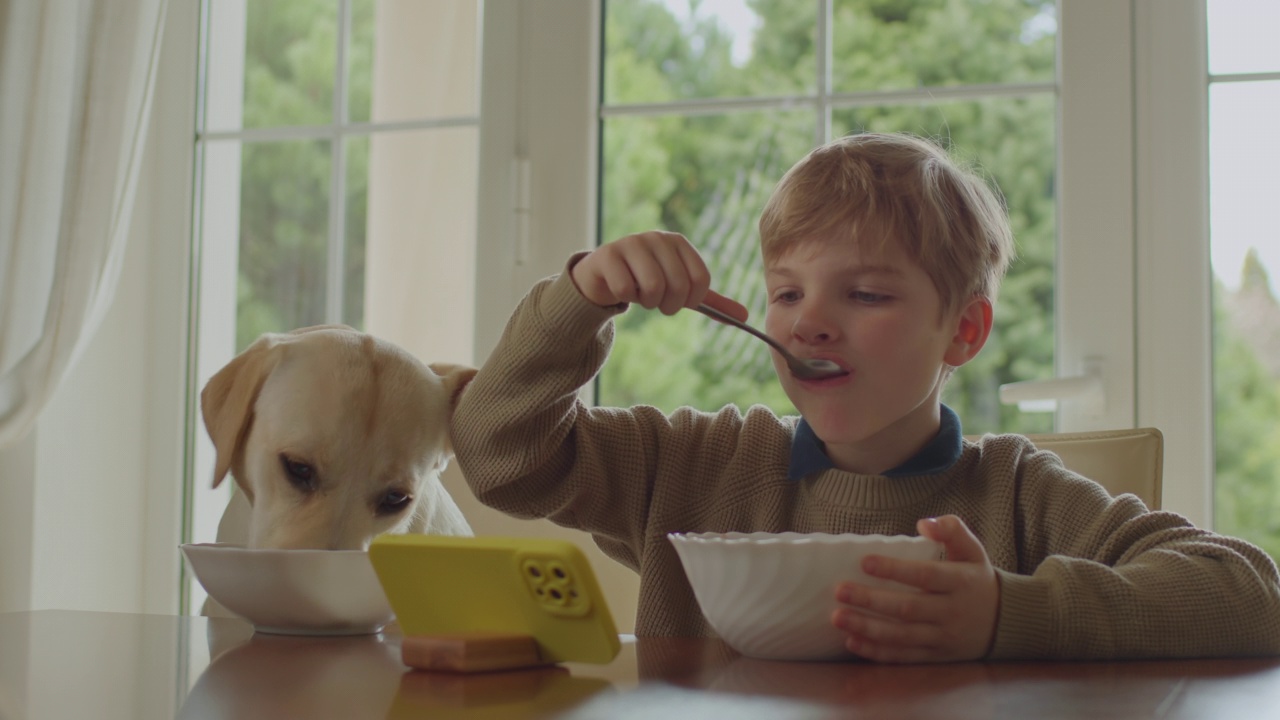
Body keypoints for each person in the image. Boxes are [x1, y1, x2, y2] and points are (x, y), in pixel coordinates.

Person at [451, 132, 1280, 663]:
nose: (809, 323)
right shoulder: (695, 464)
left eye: (866, 296)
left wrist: (1009, 613)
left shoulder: (1021, 495)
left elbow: (1250, 593)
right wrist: (581, 300)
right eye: (786, 293)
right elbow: (495, 452)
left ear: (963, 332)